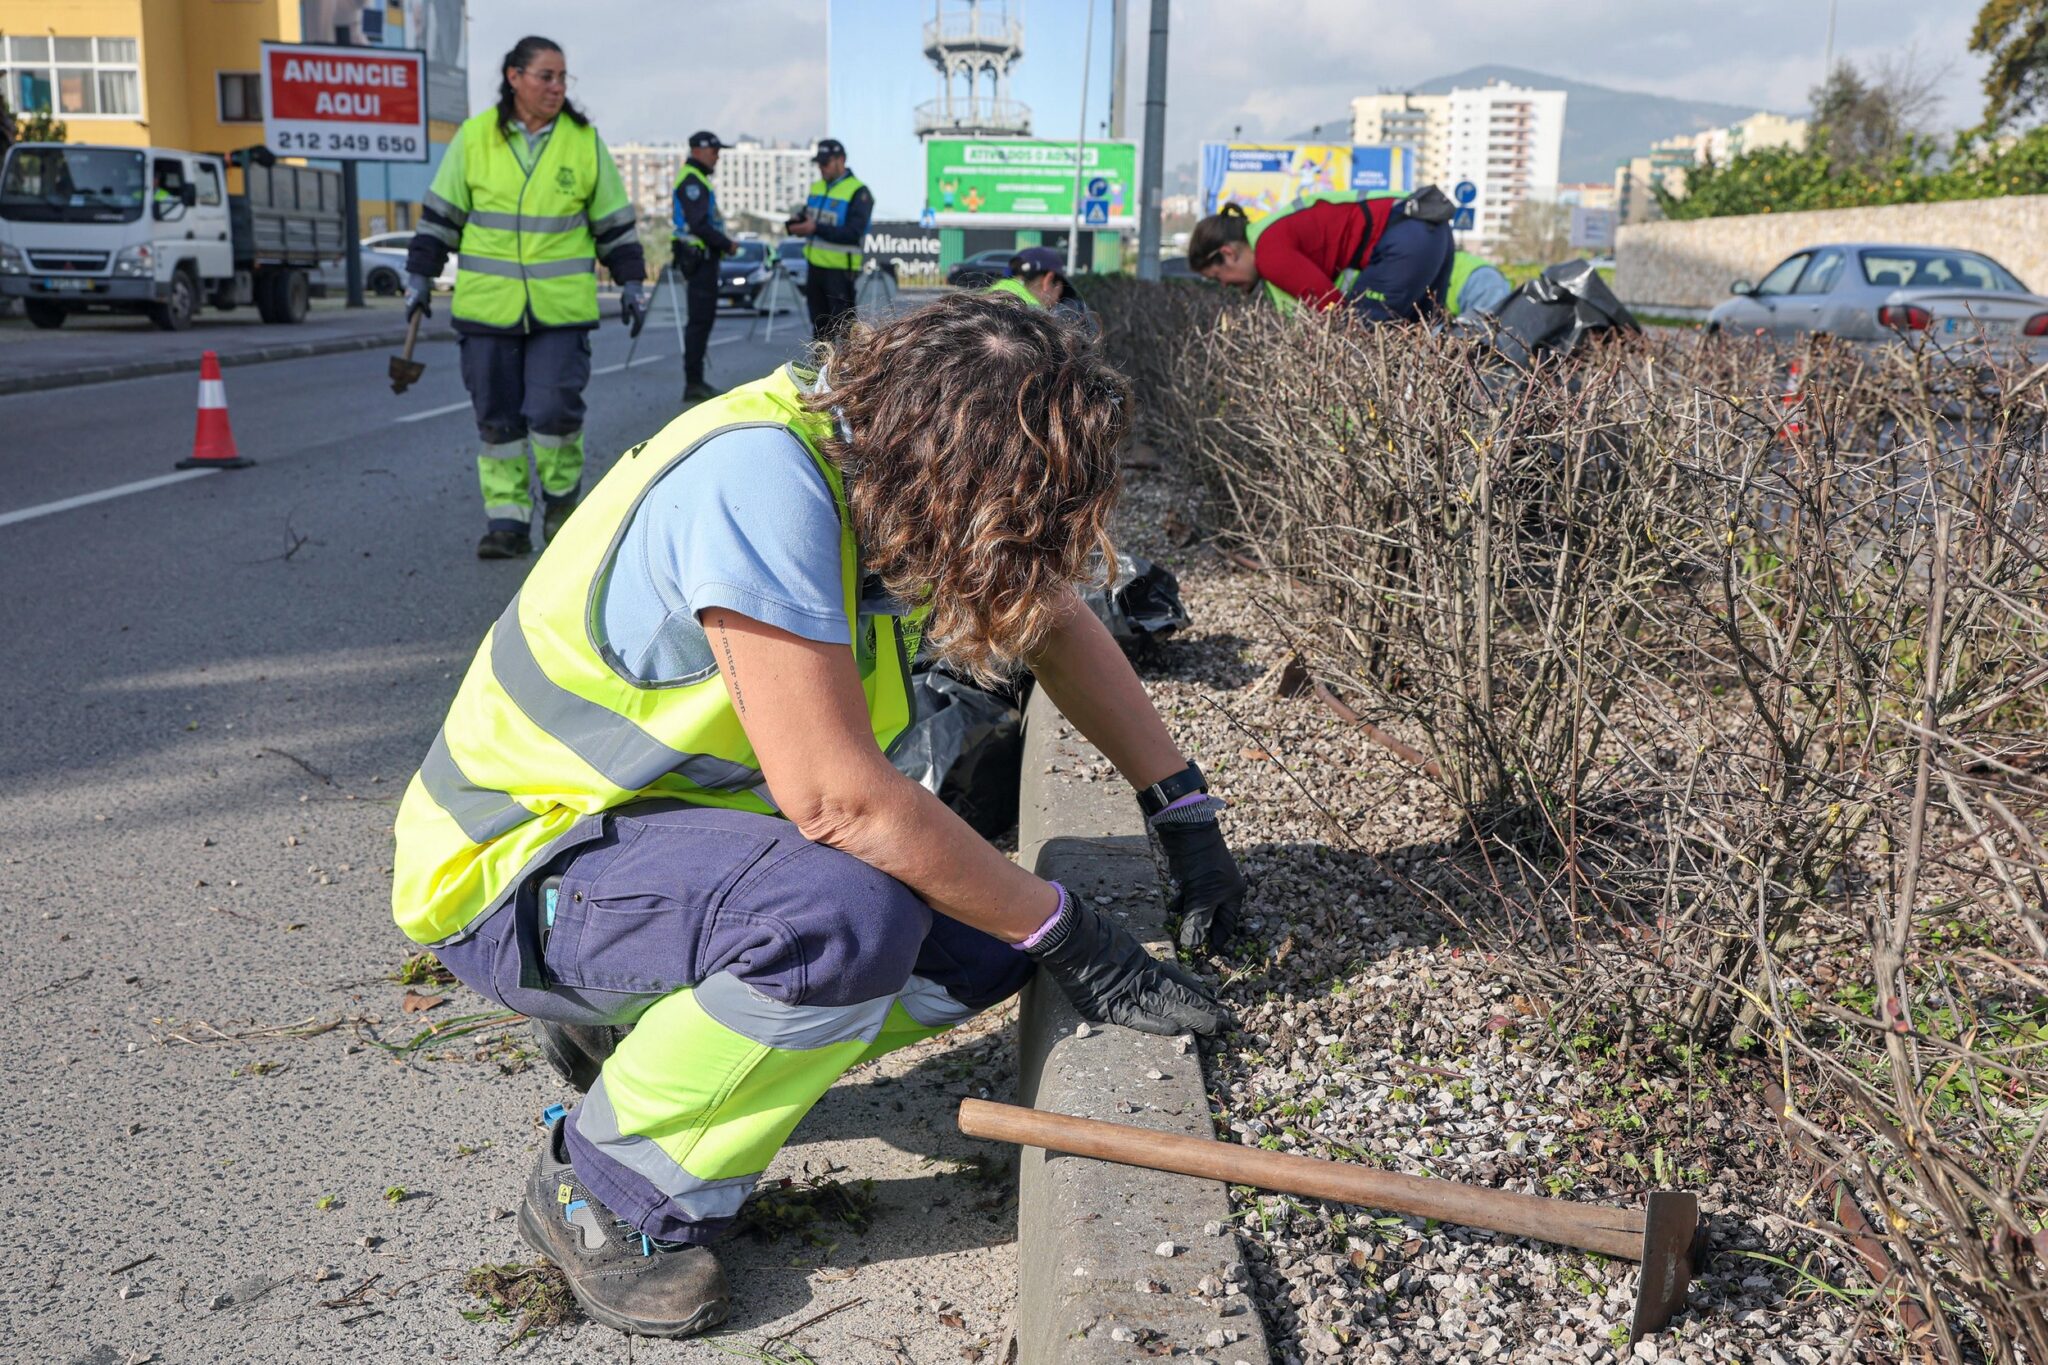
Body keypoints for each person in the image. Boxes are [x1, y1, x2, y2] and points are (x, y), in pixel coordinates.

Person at [391, 293, 1247, 1339]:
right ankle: (607, 1184)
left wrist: (1181, 809)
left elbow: (1047, 615)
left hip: (657, 853)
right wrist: (1075, 933)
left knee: (982, 938)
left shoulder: (870, 453)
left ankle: (644, 1035)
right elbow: (838, 801)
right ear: (941, 463)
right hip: (517, 871)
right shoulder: (755, 481)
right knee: (845, 918)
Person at [404, 35, 647, 561]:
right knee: (498, 421)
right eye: (546, 76)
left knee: (555, 412)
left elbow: (614, 225)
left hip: (560, 312)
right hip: (487, 310)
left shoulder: (583, 143)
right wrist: (419, 276)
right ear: (515, 77)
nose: (557, 87)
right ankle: (507, 522)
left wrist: (631, 281)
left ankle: (561, 510)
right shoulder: (474, 139)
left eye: (564, 78)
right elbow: (440, 218)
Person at [1189, 188, 1456, 323]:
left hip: (1405, 239)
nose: (1225, 285)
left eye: (1216, 277)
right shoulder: (1273, 234)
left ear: (1228, 253)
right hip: (1430, 229)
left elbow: (1334, 312)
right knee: (1424, 333)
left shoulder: (1269, 254)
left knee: (1361, 336)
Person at [788, 138, 872, 343]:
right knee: (820, 330)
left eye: (825, 163)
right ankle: (820, 372)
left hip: (840, 271)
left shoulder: (858, 192)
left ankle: (850, 373)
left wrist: (815, 228)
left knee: (845, 329)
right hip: (815, 268)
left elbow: (853, 232)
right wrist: (796, 224)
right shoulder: (817, 188)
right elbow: (809, 216)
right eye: (819, 163)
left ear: (840, 160)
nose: (821, 168)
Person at [672, 130, 735, 403]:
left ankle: (696, 380)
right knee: (699, 322)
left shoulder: (697, 179)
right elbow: (698, 224)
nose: (717, 156)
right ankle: (693, 382)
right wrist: (726, 244)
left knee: (702, 321)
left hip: (702, 258)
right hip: (698, 259)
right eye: (714, 151)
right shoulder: (692, 181)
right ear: (697, 151)